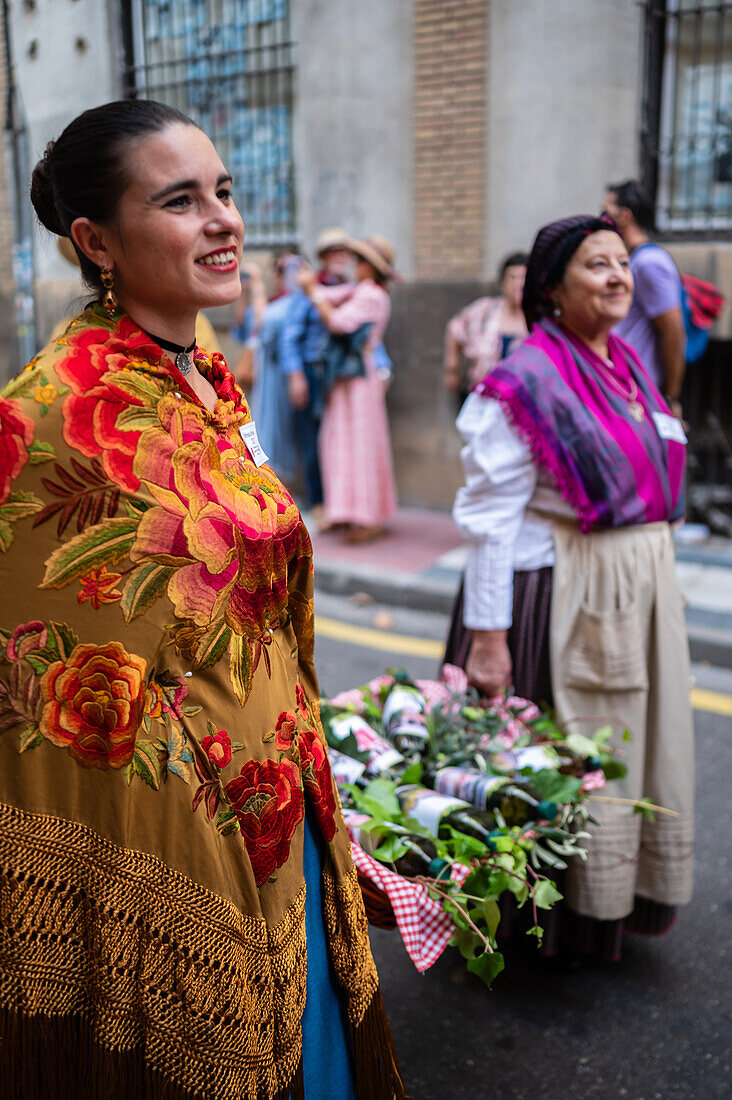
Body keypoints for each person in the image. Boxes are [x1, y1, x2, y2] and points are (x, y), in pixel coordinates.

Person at [0, 100, 404, 1099]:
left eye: (223, 191)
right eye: (181, 200)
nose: (225, 219)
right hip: (177, 834)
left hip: (283, 789)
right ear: (96, 241)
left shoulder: (208, 376)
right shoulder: (43, 414)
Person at [446, 213, 693, 960]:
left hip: (633, 587)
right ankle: (538, 925)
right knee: (559, 756)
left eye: (623, 262)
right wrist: (490, 641)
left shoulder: (623, 364)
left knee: (621, 746)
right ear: (552, 289)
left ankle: (606, 904)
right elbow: (490, 519)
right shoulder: (525, 381)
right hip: (556, 594)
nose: (619, 276)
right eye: (597, 266)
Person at [299, 235, 398, 544]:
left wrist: (313, 293)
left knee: (359, 444)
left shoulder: (373, 295)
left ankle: (368, 516)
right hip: (348, 378)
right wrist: (313, 288)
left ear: (373, 267)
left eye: (361, 261)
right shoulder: (362, 290)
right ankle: (347, 511)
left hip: (358, 379)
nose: (356, 266)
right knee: (343, 441)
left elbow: (338, 322)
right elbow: (331, 293)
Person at [280, 227, 353, 520]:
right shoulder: (307, 289)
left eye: (343, 252)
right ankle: (317, 500)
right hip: (312, 371)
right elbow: (290, 336)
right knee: (312, 438)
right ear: (324, 257)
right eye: (333, 252)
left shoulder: (349, 288)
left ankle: (339, 501)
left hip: (340, 375)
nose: (340, 257)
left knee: (338, 438)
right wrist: (295, 375)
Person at [604, 180, 686, 415]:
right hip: (626, 386)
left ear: (624, 216)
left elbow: (673, 332)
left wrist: (670, 398)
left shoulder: (649, 263)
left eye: (607, 212)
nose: (602, 220)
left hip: (642, 392)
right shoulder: (636, 260)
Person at [246, 249, 301, 485]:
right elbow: (250, 328)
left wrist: (257, 286)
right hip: (268, 372)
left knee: (282, 427)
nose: (282, 276)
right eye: (279, 270)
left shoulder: (297, 301)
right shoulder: (277, 302)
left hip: (284, 373)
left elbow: (265, 323)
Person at [443, 252, 529, 400]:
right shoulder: (484, 310)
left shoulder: (537, 319)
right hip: (480, 395)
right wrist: (452, 368)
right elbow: (454, 329)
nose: (518, 284)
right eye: (512, 277)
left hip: (520, 402)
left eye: (524, 278)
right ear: (502, 282)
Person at [229, 258, 267, 389]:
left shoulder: (271, 307)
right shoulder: (250, 310)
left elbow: (260, 321)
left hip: (264, 364)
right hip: (250, 366)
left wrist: (257, 282)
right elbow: (239, 323)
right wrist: (244, 290)